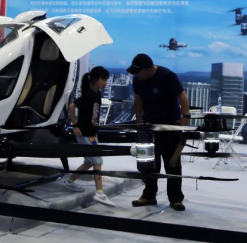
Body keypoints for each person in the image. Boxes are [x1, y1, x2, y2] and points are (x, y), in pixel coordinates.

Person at [128, 53, 190, 211]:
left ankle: (176, 199)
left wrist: (185, 116)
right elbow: (138, 99)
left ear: (148, 69)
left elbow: (182, 95)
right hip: (150, 126)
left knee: (172, 163)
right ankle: (149, 195)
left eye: (139, 72)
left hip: (170, 125)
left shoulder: (167, 76)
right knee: (149, 163)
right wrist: (138, 122)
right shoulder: (138, 79)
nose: (136, 75)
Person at [63, 66, 116, 207]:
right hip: (85, 133)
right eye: (103, 79)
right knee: (97, 160)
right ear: (95, 79)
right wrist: (75, 126)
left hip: (91, 133)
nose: (105, 83)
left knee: (90, 161)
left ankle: (70, 181)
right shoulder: (88, 95)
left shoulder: (97, 93)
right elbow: (72, 106)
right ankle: (99, 192)